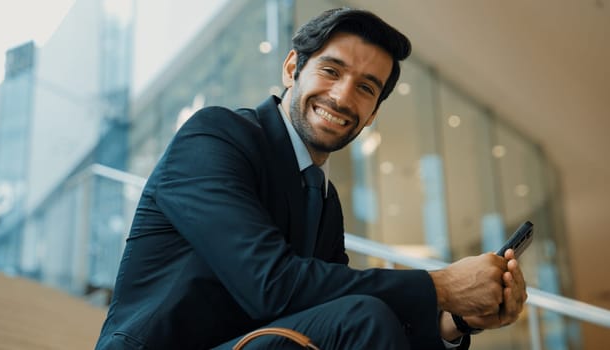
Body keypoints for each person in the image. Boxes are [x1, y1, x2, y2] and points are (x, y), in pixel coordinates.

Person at [95, 7, 527, 350]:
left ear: (373, 113)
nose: (342, 96)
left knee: (362, 316)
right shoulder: (215, 137)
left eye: (366, 88)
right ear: (291, 69)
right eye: (331, 71)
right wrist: (441, 285)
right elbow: (271, 284)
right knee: (361, 319)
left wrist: (455, 319)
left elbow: (327, 306)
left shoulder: (322, 198)